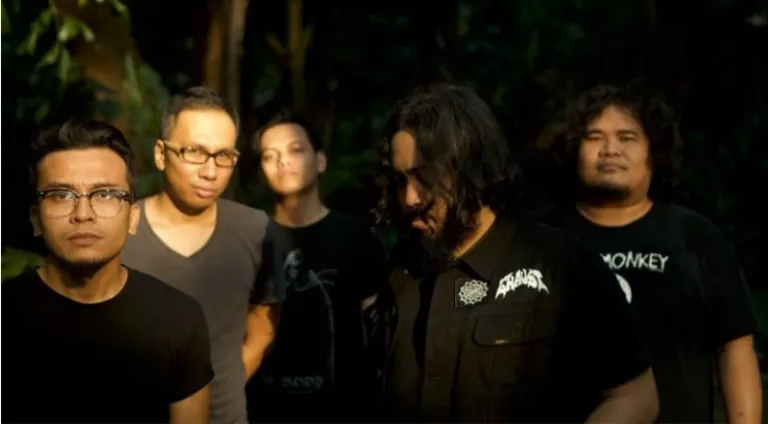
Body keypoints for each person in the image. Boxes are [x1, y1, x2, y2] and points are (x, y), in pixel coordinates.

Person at [370, 83, 660, 423]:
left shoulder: (561, 266)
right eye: (400, 180)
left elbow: (635, 396)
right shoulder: (395, 279)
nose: (410, 199)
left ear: (470, 167)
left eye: (424, 178)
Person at [532, 83, 762, 423]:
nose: (610, 149)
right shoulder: (539, 238)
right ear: (571, 149)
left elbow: (735, 348)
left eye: (627, 138)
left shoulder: (695, 236)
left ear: (654, 152)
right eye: (594, 137)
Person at [1, 120, 213, 424]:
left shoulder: (179, 320)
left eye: (106, 195)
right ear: (36, 219)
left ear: (133, 217)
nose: (83, 214)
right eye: (61, 195)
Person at [121, 87, 284, 424]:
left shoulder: (257, 231)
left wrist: (225, 381)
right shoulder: (121, 232)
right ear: (161, 154)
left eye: (224, 156)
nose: (210, 171)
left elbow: (264, 324)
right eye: (194, 152)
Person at [246, 110, 388, 422]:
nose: (284, 162)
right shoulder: (248, 240)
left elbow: (376, 336)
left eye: (296, 150)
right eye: (270, 156)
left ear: (320, 161)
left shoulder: (355, 238)